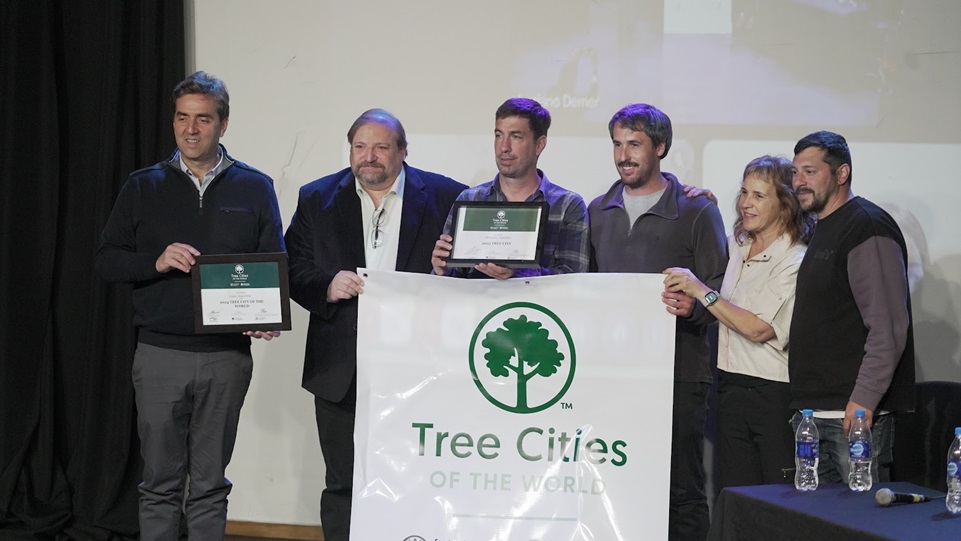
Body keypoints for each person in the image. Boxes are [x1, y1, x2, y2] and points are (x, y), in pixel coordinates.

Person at [96, 71, 284, 540]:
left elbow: (273, 265)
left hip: (226, 358)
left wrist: (266, 316)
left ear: (223, 124)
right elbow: (107, 260)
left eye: (203, 119)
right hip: (160, 355)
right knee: (159, 483)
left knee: (209, 485)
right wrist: (155, 261)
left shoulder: (255, 187)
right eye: (182, 118)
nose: (191, 129)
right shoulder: (143, 186)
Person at [284, 109, 466, 541]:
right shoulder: (316, 197)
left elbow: (467, 274)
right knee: (343, 483)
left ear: (403, 151)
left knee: (418, 479)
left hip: (419, 369)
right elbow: (290, 267)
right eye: (360, 146)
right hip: (340, 371)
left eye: (382, 147)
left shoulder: (447, 196)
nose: (369, 156)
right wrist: (327, 286)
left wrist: (447, 271)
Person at [589, 103, 727, 541]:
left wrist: (695, 307)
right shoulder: (597, 210)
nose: (623, 155)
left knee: (682, 489)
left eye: (634, 144)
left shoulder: (697, 210)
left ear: (661, 148)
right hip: (614, 373)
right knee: (618, 482)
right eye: (617, 144)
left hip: (679, 373)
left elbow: (721, 285)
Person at [663, 155, 814, 490]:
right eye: (744, 193)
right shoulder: (739, 245)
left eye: (758, 196)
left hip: (772, 394)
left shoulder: (794, 259)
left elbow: (759, 329)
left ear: (785, 204)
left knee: (776, 495)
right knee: (736, 495)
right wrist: (708, 207)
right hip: (730, 388)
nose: (745, 203)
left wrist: (700, 290)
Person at [788, 130, 915, 484]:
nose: (798, 182)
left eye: (810, 172)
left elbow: (888, 327)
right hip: (815, 418)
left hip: (852, 420)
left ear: (841, 173)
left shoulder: (866, 226)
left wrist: (864, 400)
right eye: (795, 173)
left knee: (858, 516)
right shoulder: (824, 227)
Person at [431, 98, 589, 278]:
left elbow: (573, 279)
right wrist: (442, 270)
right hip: (476, 298)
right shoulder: (470, 199)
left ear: (539, 145)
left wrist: (519, 273)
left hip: (537, 299)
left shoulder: (567, 206)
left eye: (515, 136)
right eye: (499, 135)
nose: (504, 147)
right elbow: (452, 281)